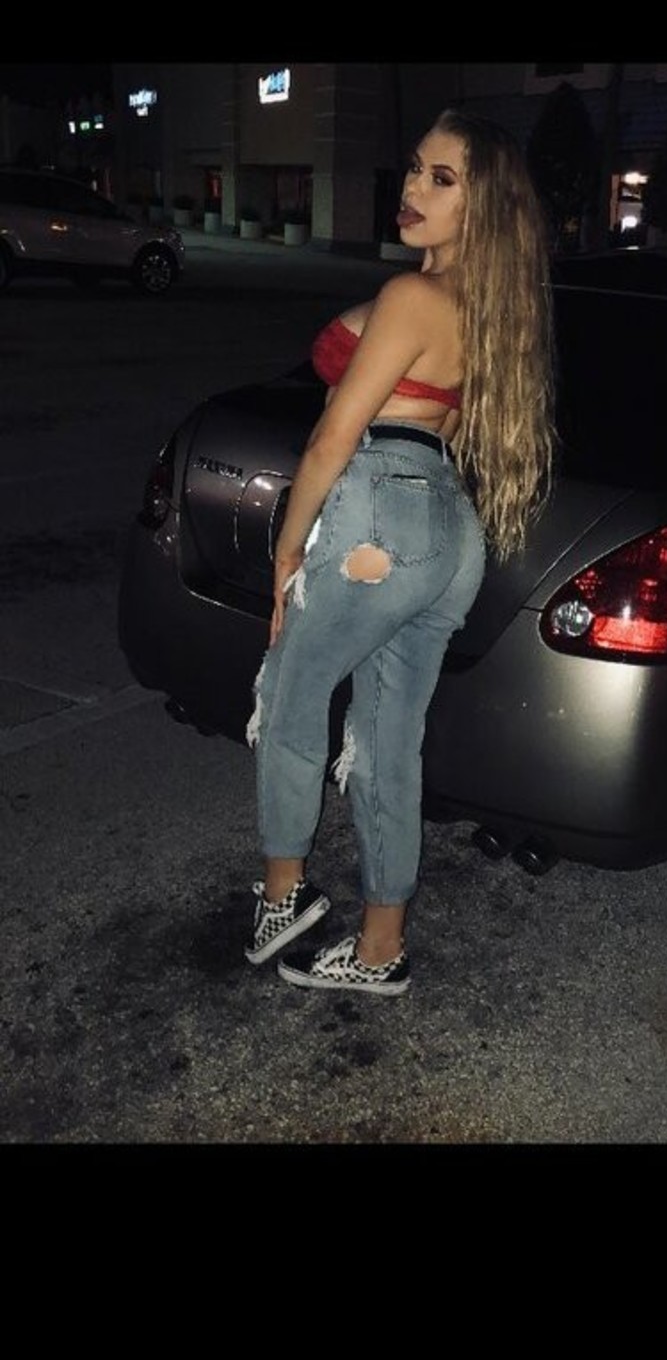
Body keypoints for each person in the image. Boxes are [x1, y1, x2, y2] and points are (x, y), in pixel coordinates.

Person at [244, 110, 555, 995]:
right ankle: (381, 947)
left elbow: (332, 436)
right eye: (416, 168)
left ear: (482, 205)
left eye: (442, 179)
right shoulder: (487, 313)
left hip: (377, 512)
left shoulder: (414, 300)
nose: (414, 187)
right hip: (446, 532)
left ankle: (282, 898)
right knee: (387, 741)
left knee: (291, 693)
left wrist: (288, 547)